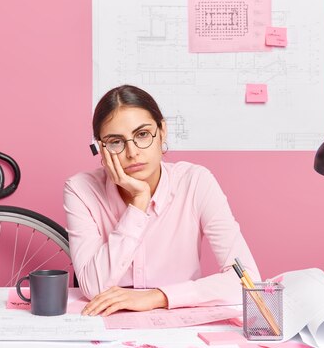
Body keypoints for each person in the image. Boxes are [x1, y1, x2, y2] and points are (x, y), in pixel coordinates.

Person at [63, 85, 260, 316]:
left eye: (142, 135)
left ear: (162, 131)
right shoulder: (80, 189)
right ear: (101, 149)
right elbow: (93, 286)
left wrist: (158, 297)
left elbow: (246, 279)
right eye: (116, 142)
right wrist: (138, 202)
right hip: (108, 324)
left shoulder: (195, 182)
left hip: (179, 318)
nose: (132, 152)